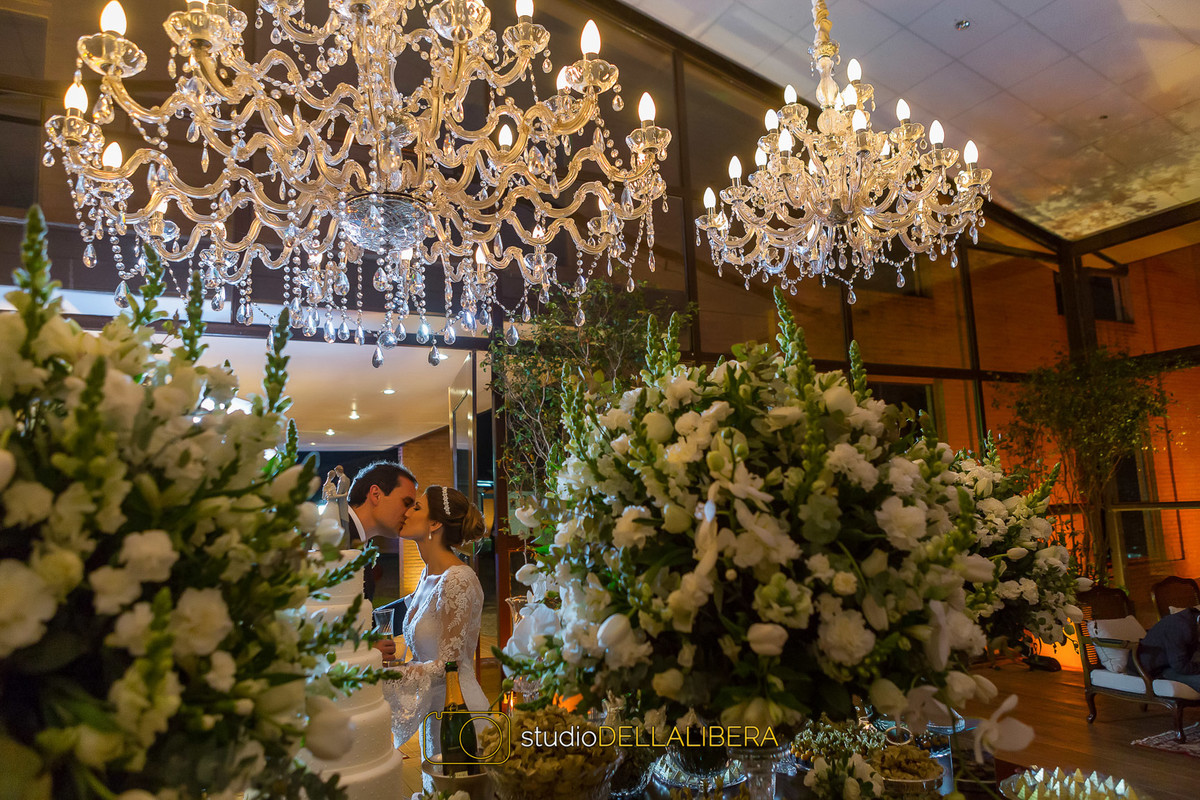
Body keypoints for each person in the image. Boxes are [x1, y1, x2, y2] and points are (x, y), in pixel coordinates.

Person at [384, 485, 489, 755]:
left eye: (416, 507)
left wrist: (390, 676)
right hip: (434, 710)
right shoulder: (426, 577)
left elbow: (449, 665)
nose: (406, 512)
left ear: (435, 523)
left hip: (460, 714)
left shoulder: (458, 579)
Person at [342, 461, 418, 603]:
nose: (409, 514)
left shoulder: (359, 539)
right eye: (406, 503)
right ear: (376, 494)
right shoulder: (337, 535)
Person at [1139, 606, 1200, 690]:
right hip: (1156, 670)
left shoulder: (1193, 620)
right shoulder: (1179, 627)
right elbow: (1180, 666)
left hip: (1173, 665)